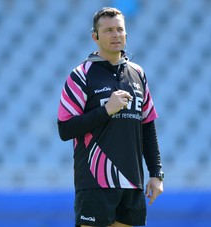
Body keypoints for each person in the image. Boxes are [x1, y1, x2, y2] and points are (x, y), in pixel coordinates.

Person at [57, 7, 164, 227]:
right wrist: (107, 110)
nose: (115, 34)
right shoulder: (81, 75)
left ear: (126, 34)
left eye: (119, 29)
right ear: (94, 37)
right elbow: (65, 129)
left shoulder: (138, 74)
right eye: (107, 30)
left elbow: (147, 126)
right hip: (95, 183)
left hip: (132, 183)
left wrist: (156, 173)